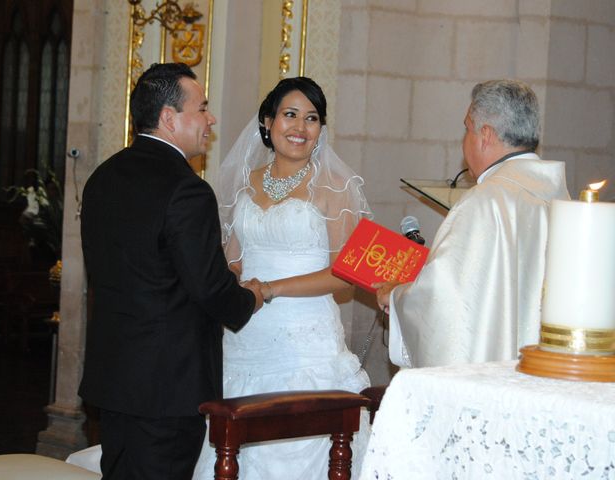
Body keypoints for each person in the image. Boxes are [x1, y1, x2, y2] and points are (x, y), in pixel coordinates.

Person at [77, 63, 264, 480]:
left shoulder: (102, 178)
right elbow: (212, 290)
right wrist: (251, 296)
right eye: (202, 108)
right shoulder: (187, 190)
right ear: (168, 117)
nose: (210, 119)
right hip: (167, 387)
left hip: (115, 379)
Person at [192, 77, 372, 479]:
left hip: (305, 341)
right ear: (269, 122)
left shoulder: (336, 188)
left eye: (312, 118)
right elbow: (235, 259)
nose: (300, 127)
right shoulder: (244, 183)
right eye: (290, 115)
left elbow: (345, 277)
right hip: (247, 337)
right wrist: (226, 278)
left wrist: (270, 289)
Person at [376, 79, 569, 368]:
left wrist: (396, 295)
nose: (465, 140)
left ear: (486, 135)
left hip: (493, 378)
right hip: (547, 371)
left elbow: (444, 300)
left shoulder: (485, 202)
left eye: (467, 128)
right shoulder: (562, 199)